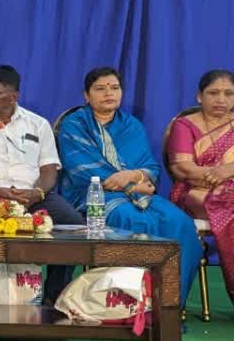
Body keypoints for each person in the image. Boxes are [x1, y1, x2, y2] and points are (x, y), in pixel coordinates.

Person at [58, 66, 204, 305]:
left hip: (139, 193)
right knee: (131, 220)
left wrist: (134, 175)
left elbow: (151, 168)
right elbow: (82, 171)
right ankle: (124, 306)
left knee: (181, 224)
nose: (109, 93)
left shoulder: (132, 125)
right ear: (86, 95)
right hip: (91, 195)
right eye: (100, 89)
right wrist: (132, 185)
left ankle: (166, 305)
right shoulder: (74, 125)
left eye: (114, 88)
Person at [0, 65, 82, 305]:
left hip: (31, 195)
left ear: (13, 96)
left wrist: (37, 193)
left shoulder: (37, 124)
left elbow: (49, 169)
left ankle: (54, 298)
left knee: (73, 225)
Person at [166, 69, 234, 305]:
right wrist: (219, 175)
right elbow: (183, 169)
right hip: (192, 193)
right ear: (199, 96)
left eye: (228, 94)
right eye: (213, 93)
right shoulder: (185, 125)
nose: (221, 99)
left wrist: (229, 170)